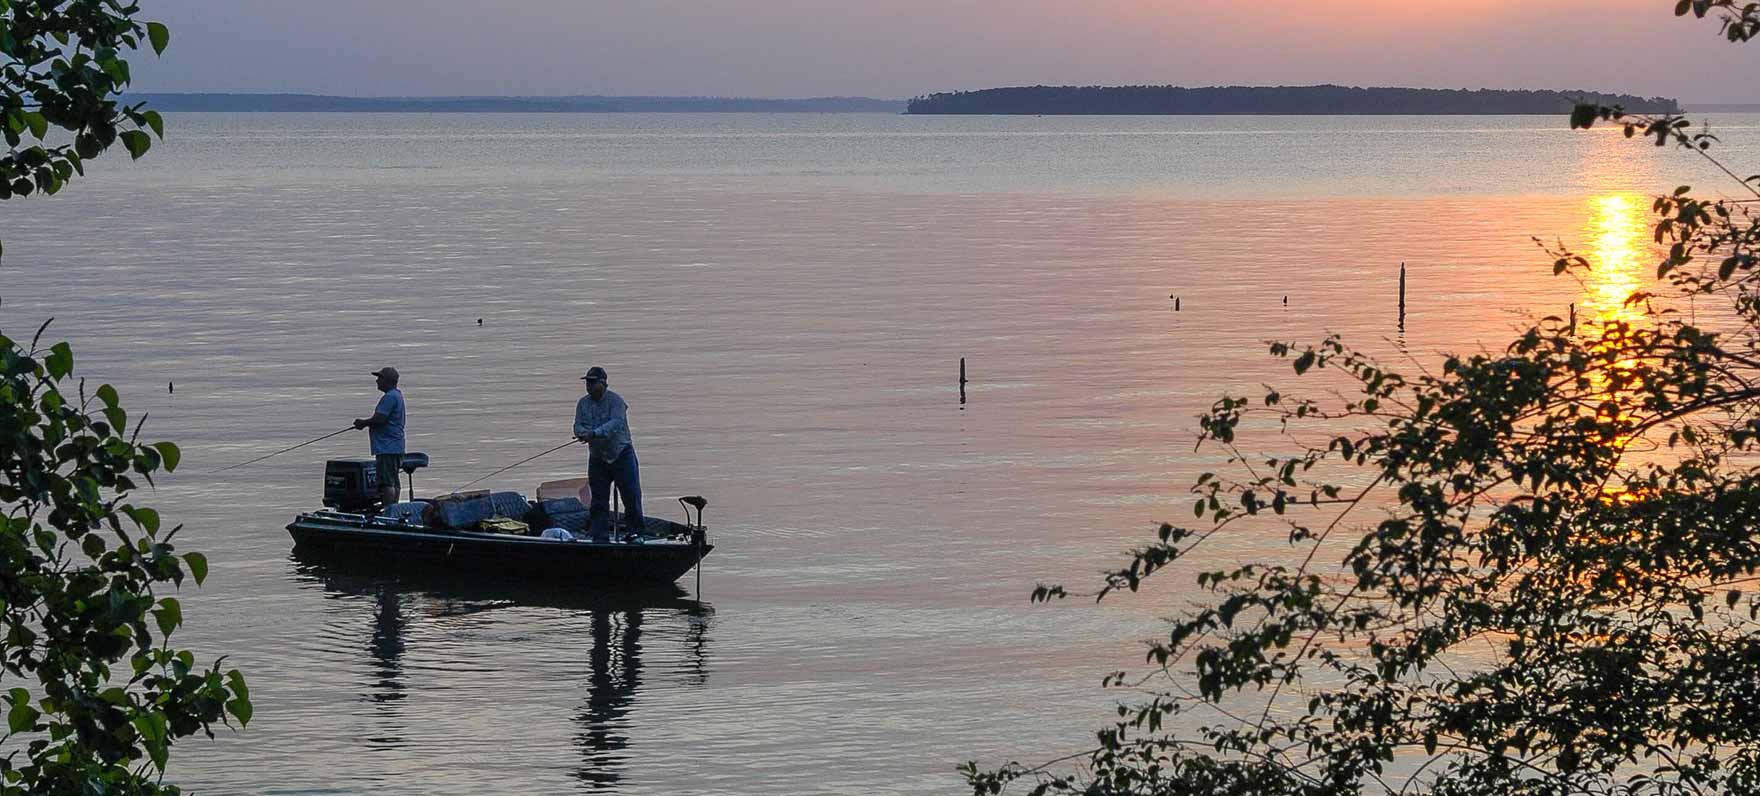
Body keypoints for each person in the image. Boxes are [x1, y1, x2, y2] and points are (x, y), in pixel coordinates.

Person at [573, 366, 644, 541]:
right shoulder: (583, 403)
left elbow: (616, 424)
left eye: (592, 382)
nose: (588, 386)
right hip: (598, 458)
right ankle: (599, 535)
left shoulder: (616, 401)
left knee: (631, 496)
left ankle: (635, 533)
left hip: (621, 454)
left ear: (603, 383)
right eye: (587, 383)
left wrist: (594, 433)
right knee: (598, 500)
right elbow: (577, 425)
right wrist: (582, 433)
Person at [353, 367, 406, 506]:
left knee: (387, 482)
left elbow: (380, 419)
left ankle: (388, 512)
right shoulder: (397, 395)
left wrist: (363, 423)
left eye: (380, 378)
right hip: (395, 446)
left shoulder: (389, 397)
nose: (377, 381)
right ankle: (393, 509)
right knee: (394, 480)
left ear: (388, 381)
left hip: (387, 446)